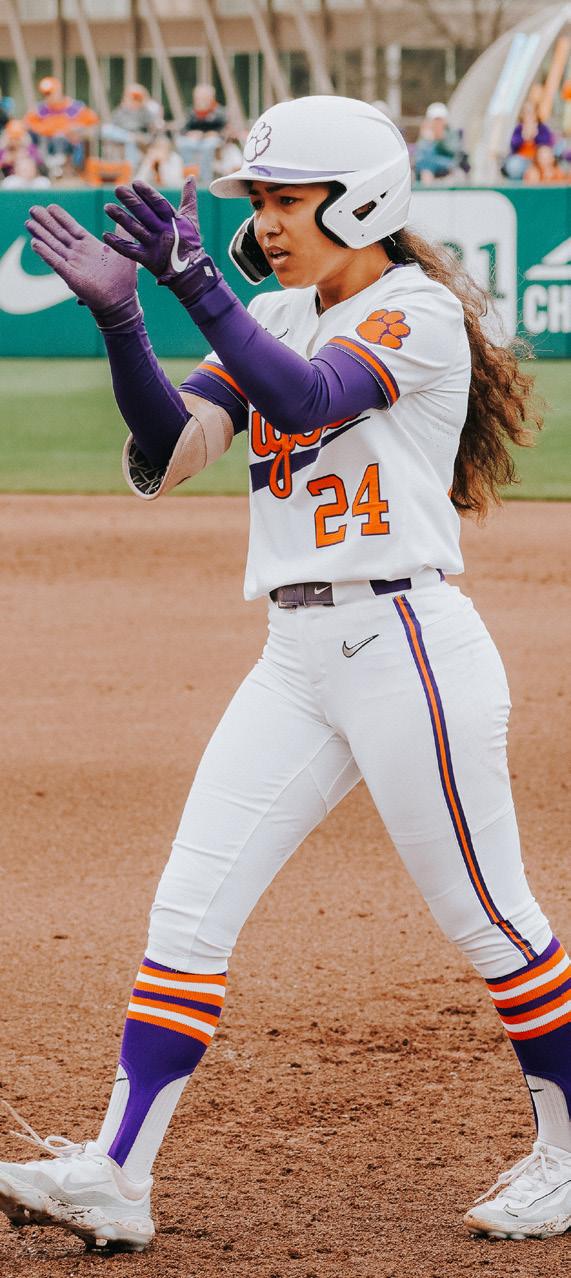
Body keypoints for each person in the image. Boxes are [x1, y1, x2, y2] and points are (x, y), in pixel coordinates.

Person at [2, 95, 570, 1253]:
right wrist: (123, 324)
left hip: (408, 646)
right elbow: (173, 450)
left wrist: (194, 284)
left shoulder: (414, 313)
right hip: (295, 657)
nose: (264, 223)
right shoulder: (271, 311)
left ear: (361, 202)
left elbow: (309, 398)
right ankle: (116, 1175)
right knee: (189, 908)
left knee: (490, 920)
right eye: (257, 201)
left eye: (285, 200)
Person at [24, 75, 99, 174]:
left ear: (58, 91)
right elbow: (26, 124)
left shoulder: (74, 107)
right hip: (47, 144)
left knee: (61, 139)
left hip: (69, 144)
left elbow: (93, 123)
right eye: (45, 94)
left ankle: (65, 168)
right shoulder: (40, 109)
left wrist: (77, 130)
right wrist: (44, 130)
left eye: (50, 93)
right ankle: (47, 169)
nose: (48, 96)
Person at [176, 82, 226, 186]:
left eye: (204, 97)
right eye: (198, 97)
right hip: (195, 141)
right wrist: (190, 133)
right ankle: (190, 177)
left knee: (208, 146)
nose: (201, 100)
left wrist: (213, 134)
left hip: (212, 140)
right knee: (183, 143)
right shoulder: (191, 112)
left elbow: (225, 130)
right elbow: (183, 129)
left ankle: (205, 180)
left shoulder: (220, 111)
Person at [101, 83, 158, 171]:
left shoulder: (145, 110)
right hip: (122, 135)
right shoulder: (122, 109)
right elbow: (112, 125)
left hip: (138, 135)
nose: (133, 99)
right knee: (106, 129)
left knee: (131, 141)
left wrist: (143, 101)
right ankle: (130, 138)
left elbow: (152, 126)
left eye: (135, 97)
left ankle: (131, 169)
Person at [414, 101, 469, 183]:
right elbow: (421, 153)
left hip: (447, 162)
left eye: (439, 119)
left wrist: (439, 140)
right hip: (428, 163)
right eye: (435, 120)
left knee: (426, 164)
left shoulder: (451, 133)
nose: (438, 122)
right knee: (425, 164)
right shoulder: (426, 134)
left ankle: (427, 186)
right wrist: (428, 140)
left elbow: (453, 151)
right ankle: (427, 187)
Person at [503, 98, 554, 180]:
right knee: (513, 165)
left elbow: (546, 145)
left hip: (538, 161)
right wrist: (523, 137)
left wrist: (535, 136)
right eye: (526, 113)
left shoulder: (542, 128)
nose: (528, 116)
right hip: (521, 159)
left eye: (531, 112)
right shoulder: (519, 129)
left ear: (536, 114)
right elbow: (513, 146)